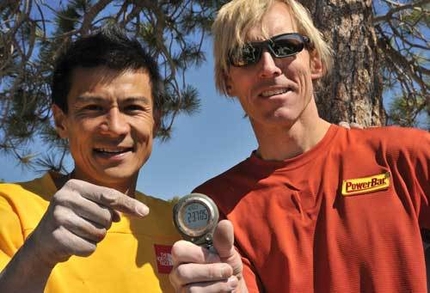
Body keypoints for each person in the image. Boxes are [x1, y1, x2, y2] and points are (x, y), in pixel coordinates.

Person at [169, 0, 430, 292]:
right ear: (228, 81)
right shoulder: (215, 208)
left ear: (315, 62)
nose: (268, 68)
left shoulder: (402, 156)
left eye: (285, 46)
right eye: (246, 55)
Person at [0, 25, 180, 292]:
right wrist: (36, 256)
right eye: (93, 108)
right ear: (61, 121)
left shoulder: (177, 226)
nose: (116, 127)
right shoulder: (11, 210)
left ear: (156, 121)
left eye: (133, 108)